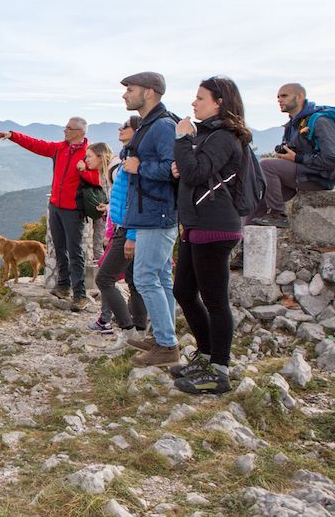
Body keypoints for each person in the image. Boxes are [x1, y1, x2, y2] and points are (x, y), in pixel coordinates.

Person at [169, 75, 250, 394]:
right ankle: (205, 355)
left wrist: (182, 141)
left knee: (215, 300)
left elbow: (196, 172)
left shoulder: (223, 136)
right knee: (184, 292)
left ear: (219, 102)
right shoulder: (209, 135)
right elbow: (193, 175)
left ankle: (219, 369)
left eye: (199, 98)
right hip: (198, 225)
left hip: (215, 227)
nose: (193, 103)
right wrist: (181, 165)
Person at [0, 118, 102, 311]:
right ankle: (63, 286)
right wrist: (13, 136)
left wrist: (84, 169)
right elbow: (37, 145)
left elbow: (98, 179)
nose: (65, 131)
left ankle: (80, 295)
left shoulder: (89, 153)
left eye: (68, 128)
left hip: (74, 209)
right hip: (56, 207)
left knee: (75, 252)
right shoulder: (60, 148)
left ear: (80, 132)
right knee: (60, 248)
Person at [118, 72, 181, 368]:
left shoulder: (163, 127)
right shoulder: (149, 125)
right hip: (150, 213)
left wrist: (139, 167)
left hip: (157, 214)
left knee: (145, 277)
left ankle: (167, 345)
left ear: (150, 92)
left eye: (130, 89)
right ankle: (163, 337)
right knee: (161, 279)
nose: (125, 94)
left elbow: (173, 169)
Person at [248, 82, 335, 228]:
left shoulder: (321, 122)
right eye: (278, 97)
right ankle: (245, 245)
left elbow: (331, 160)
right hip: (300, 174)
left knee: (266, 165)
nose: (279, 100)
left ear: (299, 97)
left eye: (284, 96)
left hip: (319, 178)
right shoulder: (292, 125)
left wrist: (297, 158)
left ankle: (277, 214)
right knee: (256, 199)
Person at [91, 118, 149, 341]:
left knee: (104, 278)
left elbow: (134, 200)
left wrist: (129, 234)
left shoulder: (121, 166)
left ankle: (128, 330)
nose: (119, 129)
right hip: (130, 229)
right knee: (134, 281)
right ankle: (140, 330)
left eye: (125, 126)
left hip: (128, 229)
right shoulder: (127, 158)